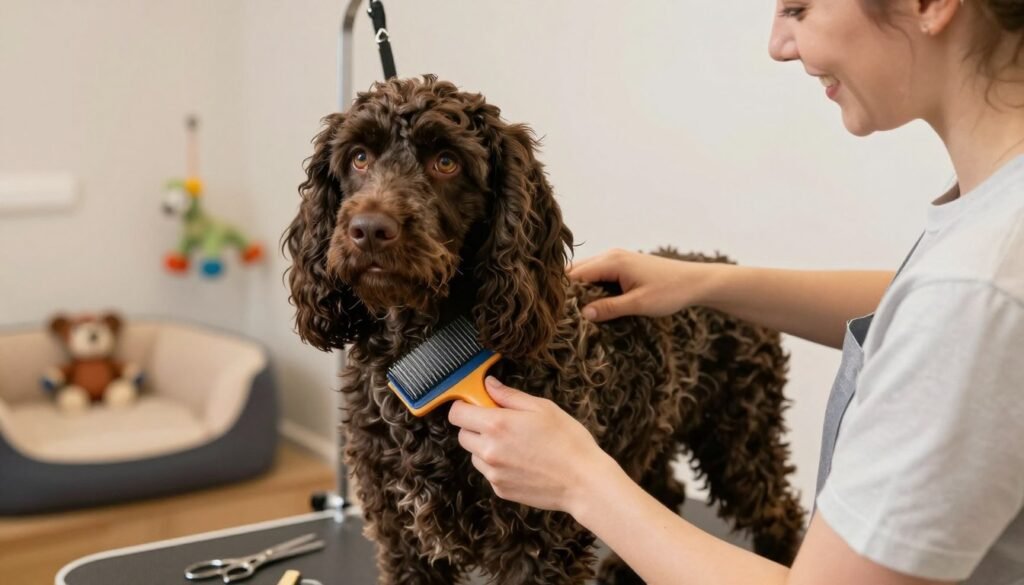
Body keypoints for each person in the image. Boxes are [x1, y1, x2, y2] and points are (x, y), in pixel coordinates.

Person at [447, 0, 1024, 583]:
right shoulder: (996, 217)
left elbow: (954, 314)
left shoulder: (978, 286)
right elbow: (912, 309)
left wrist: (580, 481)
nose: (779, 44)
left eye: (798, 7)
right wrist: (707, 284)